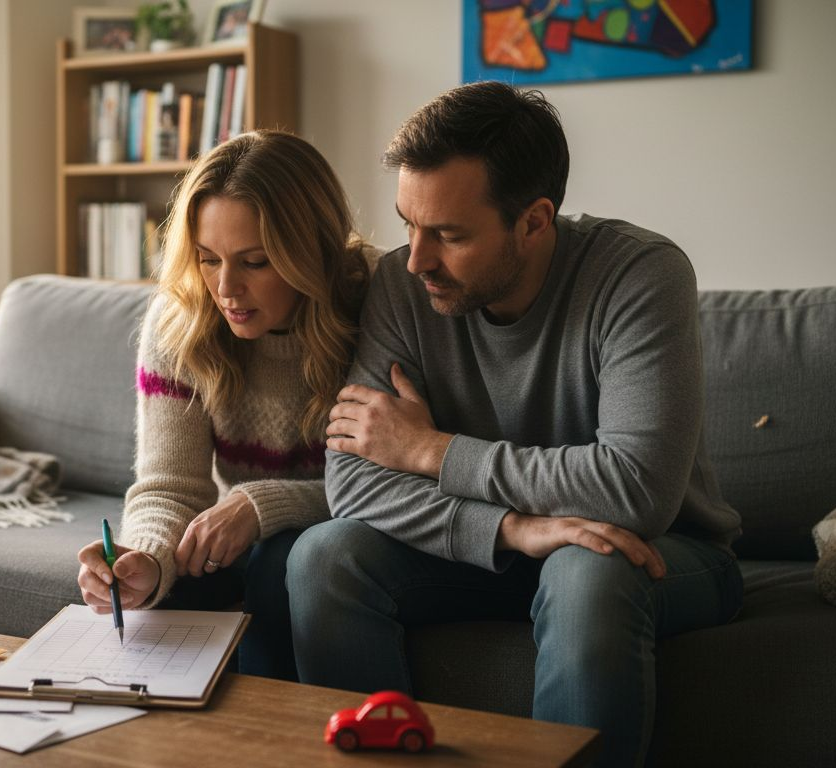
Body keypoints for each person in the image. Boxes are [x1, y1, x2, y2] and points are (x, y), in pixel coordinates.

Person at [291, 81, 744, 767]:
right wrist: (511, 529)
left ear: (534, 221)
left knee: (586, 571)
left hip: (664, 551)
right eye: (408, 224)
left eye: (448, 235)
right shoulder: (400, 283)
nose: (417, 260)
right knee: (325, 557)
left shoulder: (639, 276)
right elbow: (351, 485)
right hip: (492, 548)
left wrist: (429, 450)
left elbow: (634, 491)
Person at [76, 130, 376, 680]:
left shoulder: (375, 305)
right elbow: (170, 486)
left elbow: (398, 482)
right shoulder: (181, 321)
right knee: (162, 589)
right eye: (208, 258)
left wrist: (262, 507)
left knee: (278, 564)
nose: (226, 288)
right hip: (235, 538)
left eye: (255, 261)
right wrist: (142, 558)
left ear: (311, 251)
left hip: (348, 534)